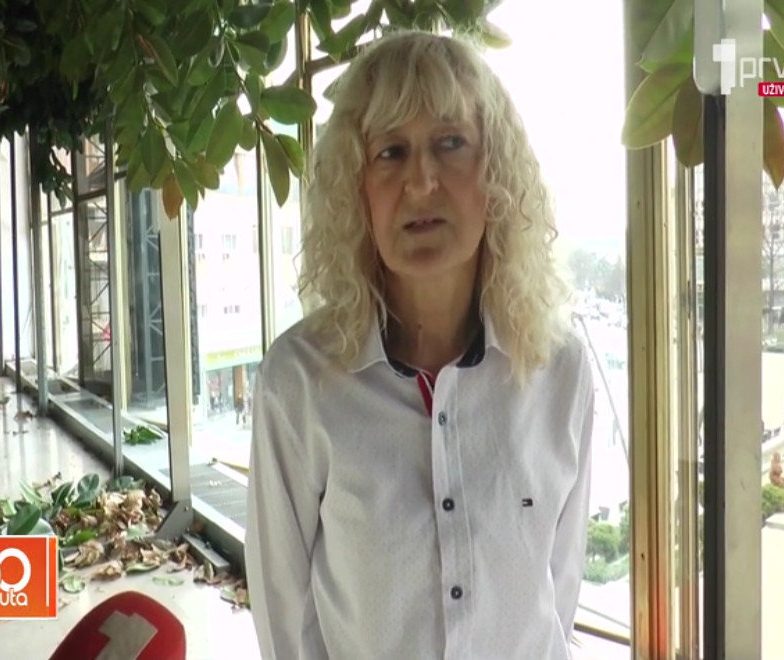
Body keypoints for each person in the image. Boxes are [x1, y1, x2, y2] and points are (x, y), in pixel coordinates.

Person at [244, 30, 594, 660]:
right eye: (391, 152)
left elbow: (558, 595)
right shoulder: (298, 382)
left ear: (495, 171)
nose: (422, 182)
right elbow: (285, 621)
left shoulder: (558, 368)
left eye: (450, 143)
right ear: (357, 188)